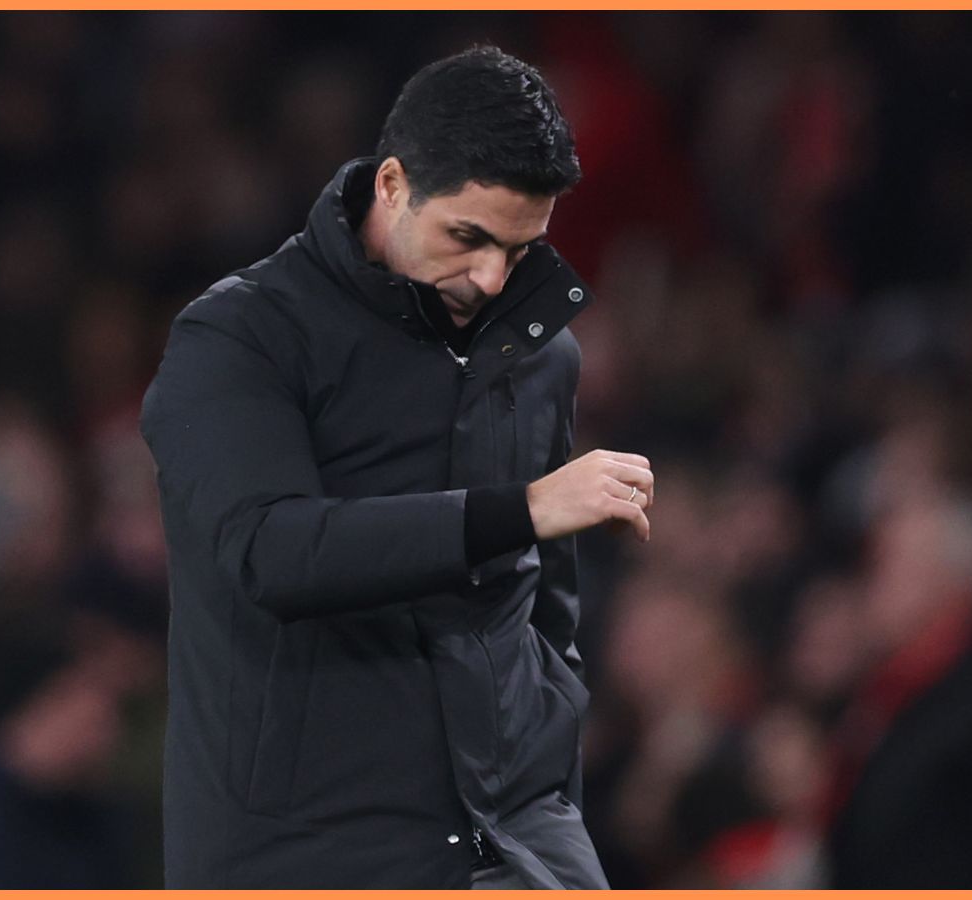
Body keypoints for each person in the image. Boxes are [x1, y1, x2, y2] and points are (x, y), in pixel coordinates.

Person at [140, 46, 655, 889]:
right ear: (390, 185)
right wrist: (516, 509)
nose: (491, 277)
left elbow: (545, 610)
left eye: (520, 250)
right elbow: (273, 551)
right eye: (467, 237)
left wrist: (549, 760)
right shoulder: (239, 337)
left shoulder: (539, 354)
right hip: (305, 847)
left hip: (516, 835)